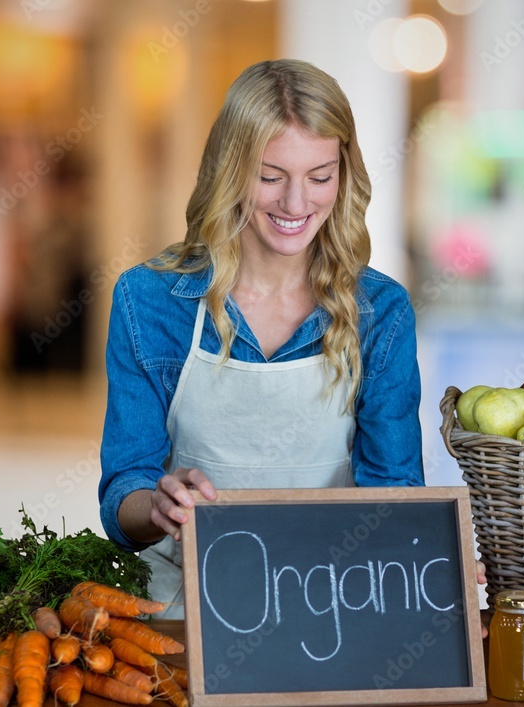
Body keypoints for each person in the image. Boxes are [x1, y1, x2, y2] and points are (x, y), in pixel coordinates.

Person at [98, 58, 483, 620]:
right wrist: (157, 503)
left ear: (343, 176)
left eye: (320, 177)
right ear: (230, 171)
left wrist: (427, 562)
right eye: (271, 176)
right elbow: (123, 492)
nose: (296, 204)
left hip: (332, 615)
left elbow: (392, 490)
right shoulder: (149, 301)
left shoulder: (380, 311)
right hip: (182, 621)